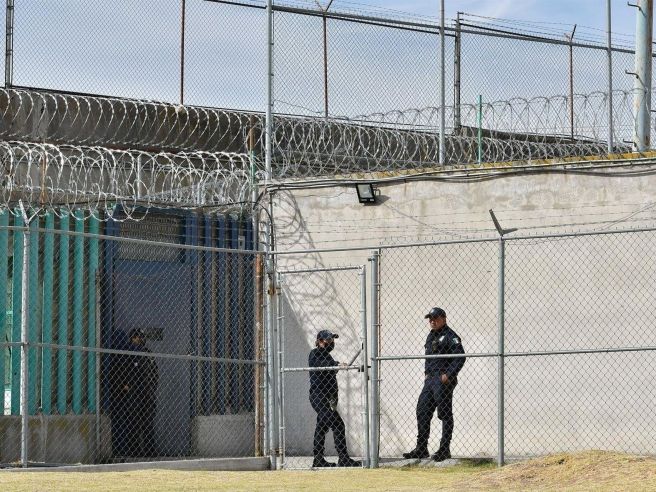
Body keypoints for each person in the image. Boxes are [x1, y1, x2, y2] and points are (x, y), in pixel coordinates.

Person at [403, 307, 466, 462]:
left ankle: (444, 449)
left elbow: (460, 357)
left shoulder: (451, 336)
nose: (432, 321)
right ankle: (421, 448)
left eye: (435, 318)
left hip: (443, 381)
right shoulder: (431, 336)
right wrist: (426, 373)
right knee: (422, 410)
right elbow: (428, 357)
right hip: (430, 380)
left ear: (444, 318)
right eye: (430, 319)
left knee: (444, 413)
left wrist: (448, 375)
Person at [308, 329, 361, 468]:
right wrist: (336, 365)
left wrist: (338, 364)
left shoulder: (327, 356)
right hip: (319, 397)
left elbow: (329, 364)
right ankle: (343, 458)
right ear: (320, 341)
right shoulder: (314, 353)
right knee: (338, 424)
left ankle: (318, 459)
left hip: (328, 398)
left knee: (322, 426)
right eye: (328, 340)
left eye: (332, 340)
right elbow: (322, 365)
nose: (331, 343)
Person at [127, 328, 159, 457]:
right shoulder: (132, 353)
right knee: (140, 423)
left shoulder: (144, 353)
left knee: (142, 423)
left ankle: (142, 451)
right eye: (135, 338)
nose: (137, 340)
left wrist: (151, 387)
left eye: (137, 338)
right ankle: (142, 451)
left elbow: (154, 373)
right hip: (141, 392)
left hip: (142, 392)